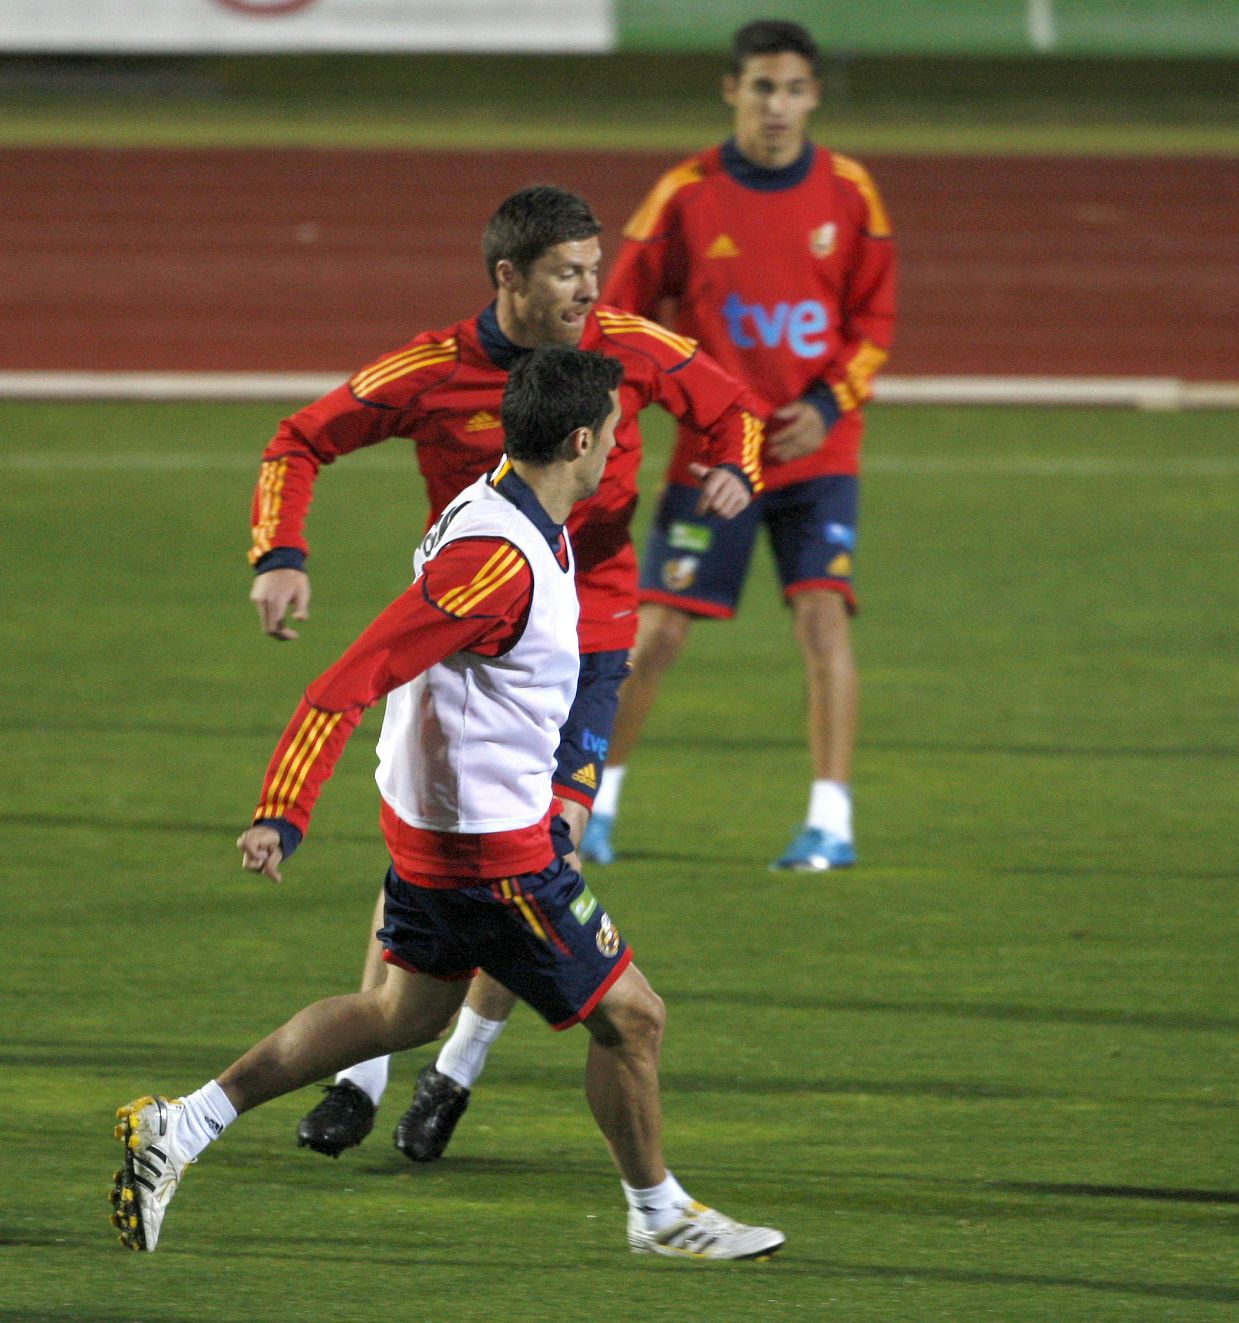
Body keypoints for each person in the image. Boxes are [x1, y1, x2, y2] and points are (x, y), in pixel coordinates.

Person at [111, 346, 783, 1262]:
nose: (621, 451)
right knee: (634, 1019)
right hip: (490, 856)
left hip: (440, 830)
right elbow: (348, 680)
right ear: (581, 439)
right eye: (617, 435)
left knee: (398, 1013)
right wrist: (283, 808)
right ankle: (658, 1211)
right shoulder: (494, 562)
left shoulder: (501, 502)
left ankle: (180, 1125)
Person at [246, 185, 763, 1164]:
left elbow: (733, 410)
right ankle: (365, 1072)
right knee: (432, 853)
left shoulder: (627, 346)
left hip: (588, 645)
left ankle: (456, 1069)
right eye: (566, 272)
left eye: (592, 270)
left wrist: (736, 467)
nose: (587, 291)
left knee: (539, 849)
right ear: (508, 277)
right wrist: (280, 553)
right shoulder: (432, 371)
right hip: (457, 639)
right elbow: (299, 438)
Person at [587, 17, 896, 873]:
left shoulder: (851, 194)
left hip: (817, 454)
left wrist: (830, 402)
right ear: (733, 92)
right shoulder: (686, 194)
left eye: (795, 89)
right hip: (714, 457)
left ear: (814, 97)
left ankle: (830, 823)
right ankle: (594, 807)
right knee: (655, 636)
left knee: (823, 618)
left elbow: (873, 318)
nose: (778, 106)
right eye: (763, 87)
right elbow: (620, 319)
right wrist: (681, 403)